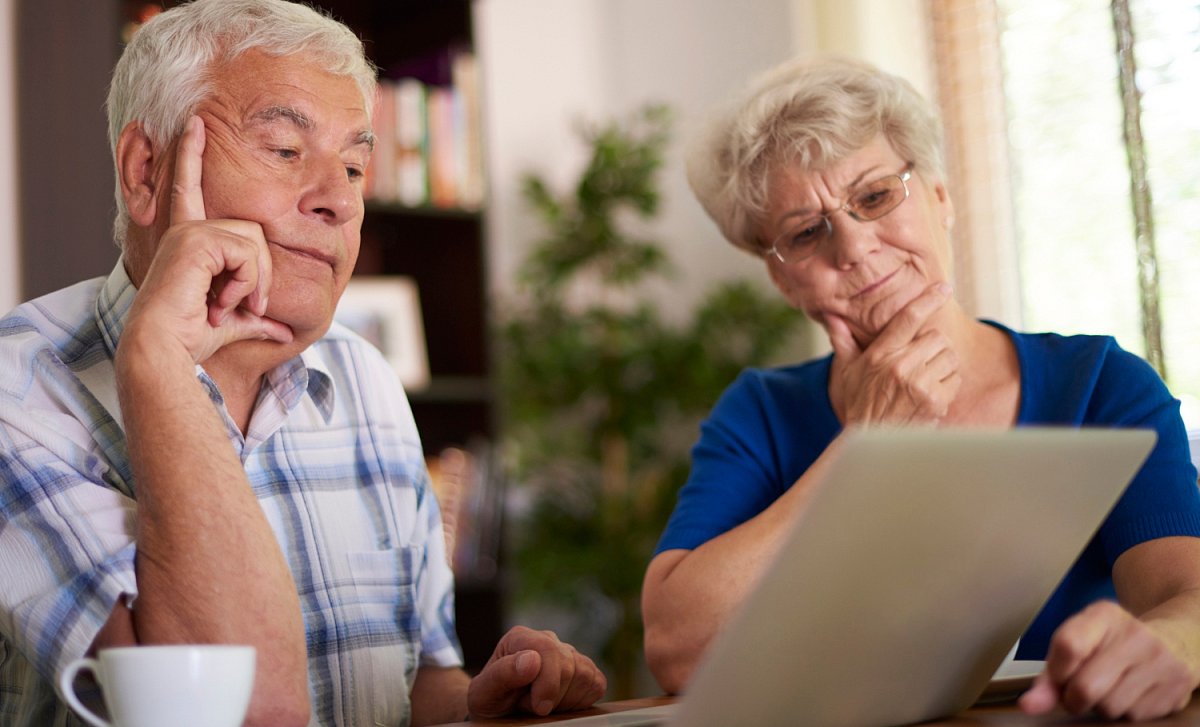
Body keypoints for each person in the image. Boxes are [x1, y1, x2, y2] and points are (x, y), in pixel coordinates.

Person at [0, 1, 606, 725]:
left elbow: (419, 683)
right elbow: (242, 711)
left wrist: (479, 705)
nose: (339, 202)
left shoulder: (369, 380)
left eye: (353, 166)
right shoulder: (21, 390)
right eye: (286, 151)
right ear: (147, 171)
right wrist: (160, 361)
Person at [641, 55, 1200, 722]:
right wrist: (864, 445)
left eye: (875, 197)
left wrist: (1168, 642)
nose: (853, 246)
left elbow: (1185, 595)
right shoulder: (762, 412)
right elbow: (677, 647)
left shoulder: (1100, 384)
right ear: (784, 279)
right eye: (805, 232)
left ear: (940, 198)